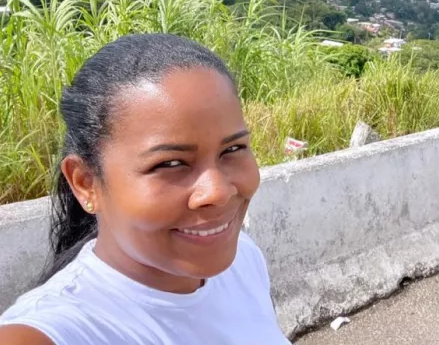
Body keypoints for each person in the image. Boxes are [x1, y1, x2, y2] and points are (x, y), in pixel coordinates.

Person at [0, 34, 291, 344]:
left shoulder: (244, 259)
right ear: (85, 183)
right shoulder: (48, 334)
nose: (217, 191)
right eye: (170, 164)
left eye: (232, 149)